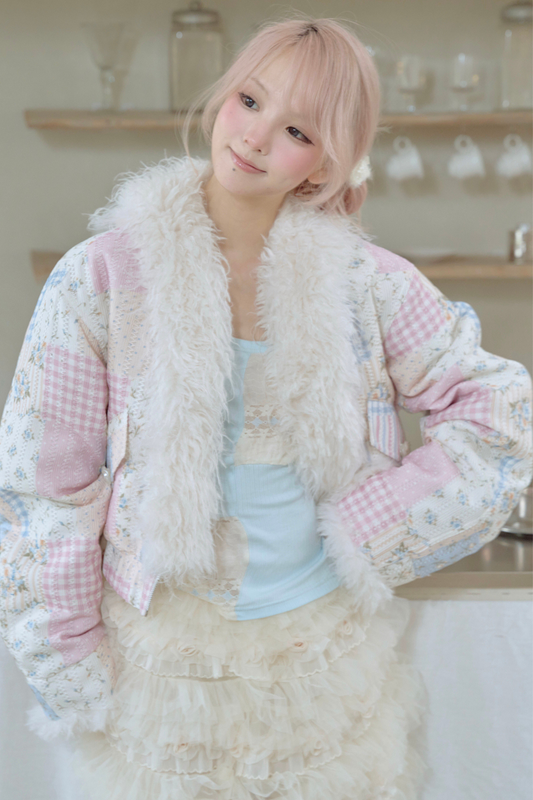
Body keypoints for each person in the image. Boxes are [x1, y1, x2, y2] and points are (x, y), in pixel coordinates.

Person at [0, 15, 531, 800]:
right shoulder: (103, 276)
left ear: (326, 162)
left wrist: (373, 524)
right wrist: (65, 652)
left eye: (295, 130)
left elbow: (499, 416)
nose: (253, 136)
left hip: (320, 653)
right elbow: (45, 481)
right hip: (159, 653)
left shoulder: (367, 283)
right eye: (249, 100)